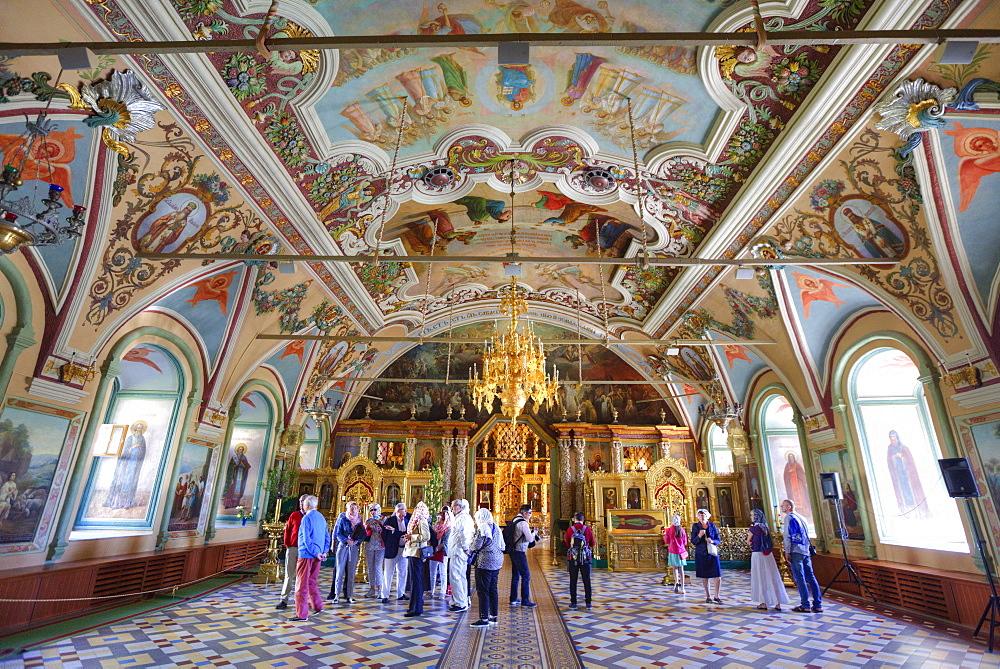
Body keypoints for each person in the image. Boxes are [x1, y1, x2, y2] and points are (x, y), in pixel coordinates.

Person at [292, 495, 330, 622]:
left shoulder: (306, 518)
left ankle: (301, 614)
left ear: (307, 505)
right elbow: (326, 536)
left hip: (307, 555)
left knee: (301, 584)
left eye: (303, 504)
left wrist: (314, 552)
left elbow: (306, 539)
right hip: (318, 554)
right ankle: (318, 606)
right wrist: (323, 552)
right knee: (311, 581)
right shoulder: (321, 517)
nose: (302, 506)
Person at [781, 499, 823, 613]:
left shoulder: (789, 518)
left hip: (796, 550)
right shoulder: (802, 517)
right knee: (811, 576)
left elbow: (788, 536)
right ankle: (818, 604)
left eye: (783, 505)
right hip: (806, 550)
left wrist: (787, 551)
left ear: (789, 507)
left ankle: (805, 604)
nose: (781, 506)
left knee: (800, 578)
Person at [748, 508, 789, 611]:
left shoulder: (754, 528)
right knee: (772, 576)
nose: (751, 517)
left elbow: (748, 541)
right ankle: (778, 603)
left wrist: (751, 542)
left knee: (760, 577)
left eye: (752, 515)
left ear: (756, 517)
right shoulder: (766, 527)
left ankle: (763, 602)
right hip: (768, 554)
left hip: (757, 554)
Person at [470, 507, 505, 627]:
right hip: (497, 561)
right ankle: (493, 616)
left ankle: (484, 618)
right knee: (493, 589)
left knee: (483, 590)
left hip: (485, 562)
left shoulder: (483, 528)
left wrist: (470, 544)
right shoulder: (496, 527)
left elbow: (476, 545)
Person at [104, 421, 147, 510]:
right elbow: (124, 450)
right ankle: (116, 502)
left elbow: (144, 451)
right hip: (126, 465)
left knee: (131, 482)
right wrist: (133, 447)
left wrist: (140, 449)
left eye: (141, 428)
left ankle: (128, 502)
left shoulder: (142, 439)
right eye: (138, 428)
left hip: (135, 464)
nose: (139, 430)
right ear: (135, 429)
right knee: (122, 481)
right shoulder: (130, 438)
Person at [330, 501, 364, 604]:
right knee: (339, 571)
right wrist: (346, 540)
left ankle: (349, 595)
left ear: (358, 509)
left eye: (355, 508)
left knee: (351, 572)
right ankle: (336, 595)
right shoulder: (343, 519)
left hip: (353, 547)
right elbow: (338, 533)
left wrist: (356, 542)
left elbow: (363, 534)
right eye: (351, 508)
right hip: (343, 546)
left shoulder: (360, 520)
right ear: (347, 509)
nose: (353, 510)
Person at [275, 495, 304, 610]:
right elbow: (287, 530)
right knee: (289, 575)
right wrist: (288, 545)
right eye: (300, 502)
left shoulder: (311, 516)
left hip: (305, 551)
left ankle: (300, 600)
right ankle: (284, 599)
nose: (302, 504)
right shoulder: (294, 515)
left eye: (304, 502)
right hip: (293, 547)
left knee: (302, 576)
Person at [508, 504, 539, 608]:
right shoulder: (523, 523)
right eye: (530, 513)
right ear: (524, 513)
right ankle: (525, 600)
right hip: (519, 551)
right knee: (526, 575)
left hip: (513, 550)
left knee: (515, 575)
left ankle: (513, 598)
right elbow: (530, 539)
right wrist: (534, 534)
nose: (530, 515)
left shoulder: (515, 519)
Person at [403, 501, 431, 618]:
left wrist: (412, 537)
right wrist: (408, 537)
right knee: (414, 581)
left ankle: (416, 608)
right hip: (412, 551)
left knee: (416, 581)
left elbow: (426, 536)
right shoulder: (416, 521)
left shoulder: (422, 520)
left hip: (416, 552)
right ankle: (414, 606)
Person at [447, 498, 475, 613]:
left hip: (458, 552)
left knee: (456, 577)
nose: (452, 508)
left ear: (460, 507)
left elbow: (464, 534)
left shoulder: (462, 518)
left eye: (454, 506)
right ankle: (462, 600)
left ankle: (460, 603)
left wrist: (465, 548)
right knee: (461, 577)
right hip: (458, 551)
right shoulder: (463, 517)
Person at [564, 511, 595, 610]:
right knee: (587, 580)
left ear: (574, 519)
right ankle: (588, 603)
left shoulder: (570, 530)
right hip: (586, 558)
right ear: (583, 519)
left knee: (573, 580)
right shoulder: (588, 529)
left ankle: (573, 603)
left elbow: (568, 544)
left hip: (573, 558)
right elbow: (592, 544)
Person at [691, 508, 723, 604]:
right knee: (705, 576)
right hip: (701, 553)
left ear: (707, 516)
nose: (701, 517)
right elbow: (693, 541)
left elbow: (718, 539)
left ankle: (717, 596)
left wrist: (712, 541)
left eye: (703, 515)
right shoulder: (696, 526)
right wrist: (699, 536)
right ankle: (708, 596)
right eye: (700, 515)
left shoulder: (712, 526)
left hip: (712, 553)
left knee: (717, 575)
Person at [380, 503, 410, 603]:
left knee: (402, 572)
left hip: (404, 550)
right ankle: (385, 595)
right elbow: (384, 535)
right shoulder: (390, 520)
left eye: (405, 511)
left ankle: (400, 594)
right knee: (388, 573)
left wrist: (395, 532)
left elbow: (406, 534)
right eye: (403, 511)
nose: (405, 513)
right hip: (392, 550)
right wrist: (394, 536)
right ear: (397, 511)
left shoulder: (407, 520)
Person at [429, 507, 452, 599]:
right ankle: (431, 590)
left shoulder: (448, 529)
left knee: (443, 572)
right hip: (433, 551)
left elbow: (446, 542)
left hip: (443, 552)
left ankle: (442, 591)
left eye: (440, 517)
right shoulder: (435, 527)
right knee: (432, 572)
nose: (438, 519)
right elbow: (431, 538)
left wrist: (438, 548)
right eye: (437, 517)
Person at [363, 503, 385, 598]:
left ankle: (380, 589)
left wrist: (381, 525)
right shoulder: (368, 520)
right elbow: (365, 532)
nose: (372, 512)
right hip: (370, 545)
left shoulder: (383, 519)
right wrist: (366, 528)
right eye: (371, 510)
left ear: (379, 510)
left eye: (374, 509)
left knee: (378, 567)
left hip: (380, 545)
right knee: (370, 567)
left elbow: (386, 531)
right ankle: (372, 588)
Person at [664, 514, 688, 594]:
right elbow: (685, 542)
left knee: (675, 569)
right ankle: (683, 587)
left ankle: (676, 583)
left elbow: (666, 541)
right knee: (681, 569)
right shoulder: (682, 530)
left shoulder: (669, 530)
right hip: (681, 551)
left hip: (673, 551)